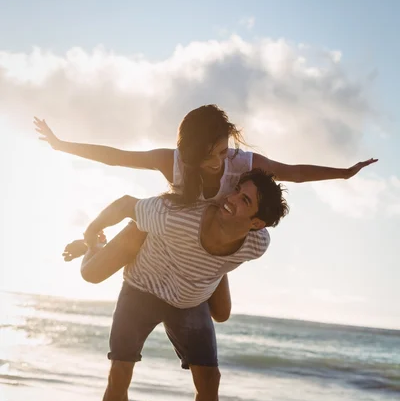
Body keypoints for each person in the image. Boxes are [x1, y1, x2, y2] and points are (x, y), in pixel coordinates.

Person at [72, 168, 288, 401]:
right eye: (236, 190)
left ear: (257, 222)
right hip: (142, 287)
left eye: (244, 200)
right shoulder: (181, 217)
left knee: (210, 380)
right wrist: (92, 233)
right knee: (120, 373)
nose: (231, 199)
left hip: (189, 302)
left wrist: (212, 270)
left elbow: (226, 260)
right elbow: (128, 205)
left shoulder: (257, 244)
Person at [34, 105, 378, 315]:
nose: (218, 162)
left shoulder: (242, 165)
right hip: (161, 230)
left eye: (222, 151)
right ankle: (93, 244)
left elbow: (296, 173)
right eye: (209, 155)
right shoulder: (172, 163)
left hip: (211, 245)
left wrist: (344, 174)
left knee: (222, 313)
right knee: (92, 275)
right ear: (191, 152)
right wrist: (62, 145)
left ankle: (214, 264)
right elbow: (116, 156)